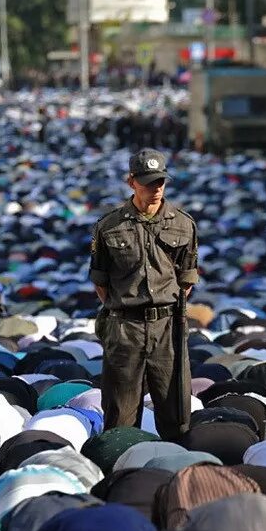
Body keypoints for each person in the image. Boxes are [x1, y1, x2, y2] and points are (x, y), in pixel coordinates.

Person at [89, 148, 199, 440]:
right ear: (131, 182)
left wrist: (164, 308)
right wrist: (126, 309)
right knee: (121, 418)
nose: (157, 188)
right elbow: (100, 280)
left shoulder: (183, 223)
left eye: (161, 181)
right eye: (149, 182)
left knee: (176, 413)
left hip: (168, 327)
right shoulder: (109, 226)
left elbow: (186, 278)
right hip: (125, 328)